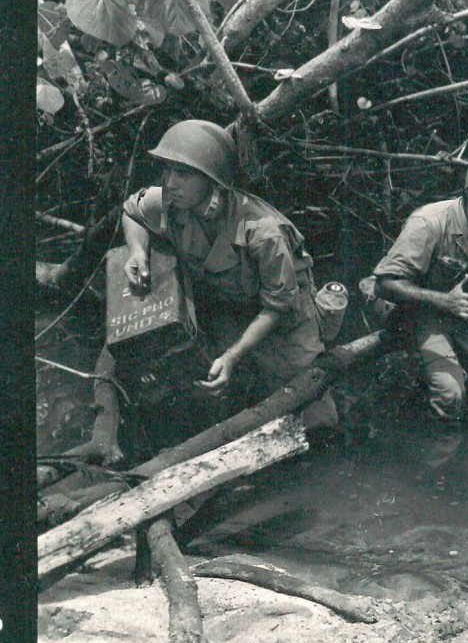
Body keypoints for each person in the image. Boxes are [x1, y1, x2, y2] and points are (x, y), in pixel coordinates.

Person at [121, 119, 337, 431]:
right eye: (166, 171)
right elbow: (132, 213)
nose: (170, 182)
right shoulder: (171, 200)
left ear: (212, 180)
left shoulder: (263, 231)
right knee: (233, 395)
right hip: (231, 307)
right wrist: (137, 251)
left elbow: (277, 305)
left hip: (284, 320)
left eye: (183, 173)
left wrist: (232, 356)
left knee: (308, 403)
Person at [364, 147, 468, 420]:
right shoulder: (429, 223)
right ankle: (430, 455)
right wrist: (444, 301)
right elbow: (384, 284)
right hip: (411, 309)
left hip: (461, 312)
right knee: (450, 395)